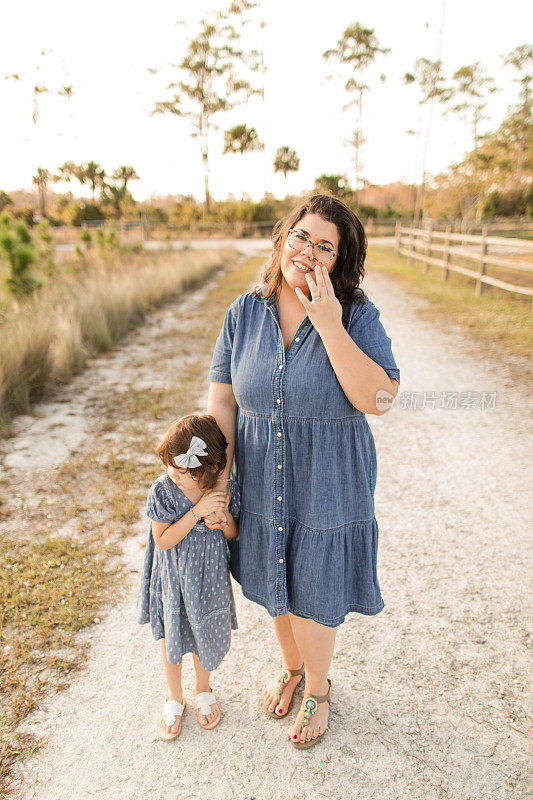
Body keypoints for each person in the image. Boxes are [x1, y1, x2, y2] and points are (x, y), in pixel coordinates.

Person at [205, 194, 400, 750]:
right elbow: (223, 404)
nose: (308, 252)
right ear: (282, 238)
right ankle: (292, 668)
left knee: (313, 581)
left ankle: (318, 687)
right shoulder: (244, 312)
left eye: (325, 247)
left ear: (340, 261)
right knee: (274, 577)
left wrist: (330, 324)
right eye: (302, 237)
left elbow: (381, 399)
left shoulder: (357, 314)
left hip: (329, 477)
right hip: (263, 473)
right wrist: (217, 481)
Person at [136, 413, 240, 741]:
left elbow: (233, 534)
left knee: (203, 630)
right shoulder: (164, 490)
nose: (172, 474)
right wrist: (196, 513)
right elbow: (163, 540)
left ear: (208, 470)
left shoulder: (222, 490)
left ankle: (203, 689)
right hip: (174, 580)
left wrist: (221, 520)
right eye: (170, 466)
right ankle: (174, 697)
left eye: (181, 471)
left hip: (207, 580)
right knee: (172, 636)